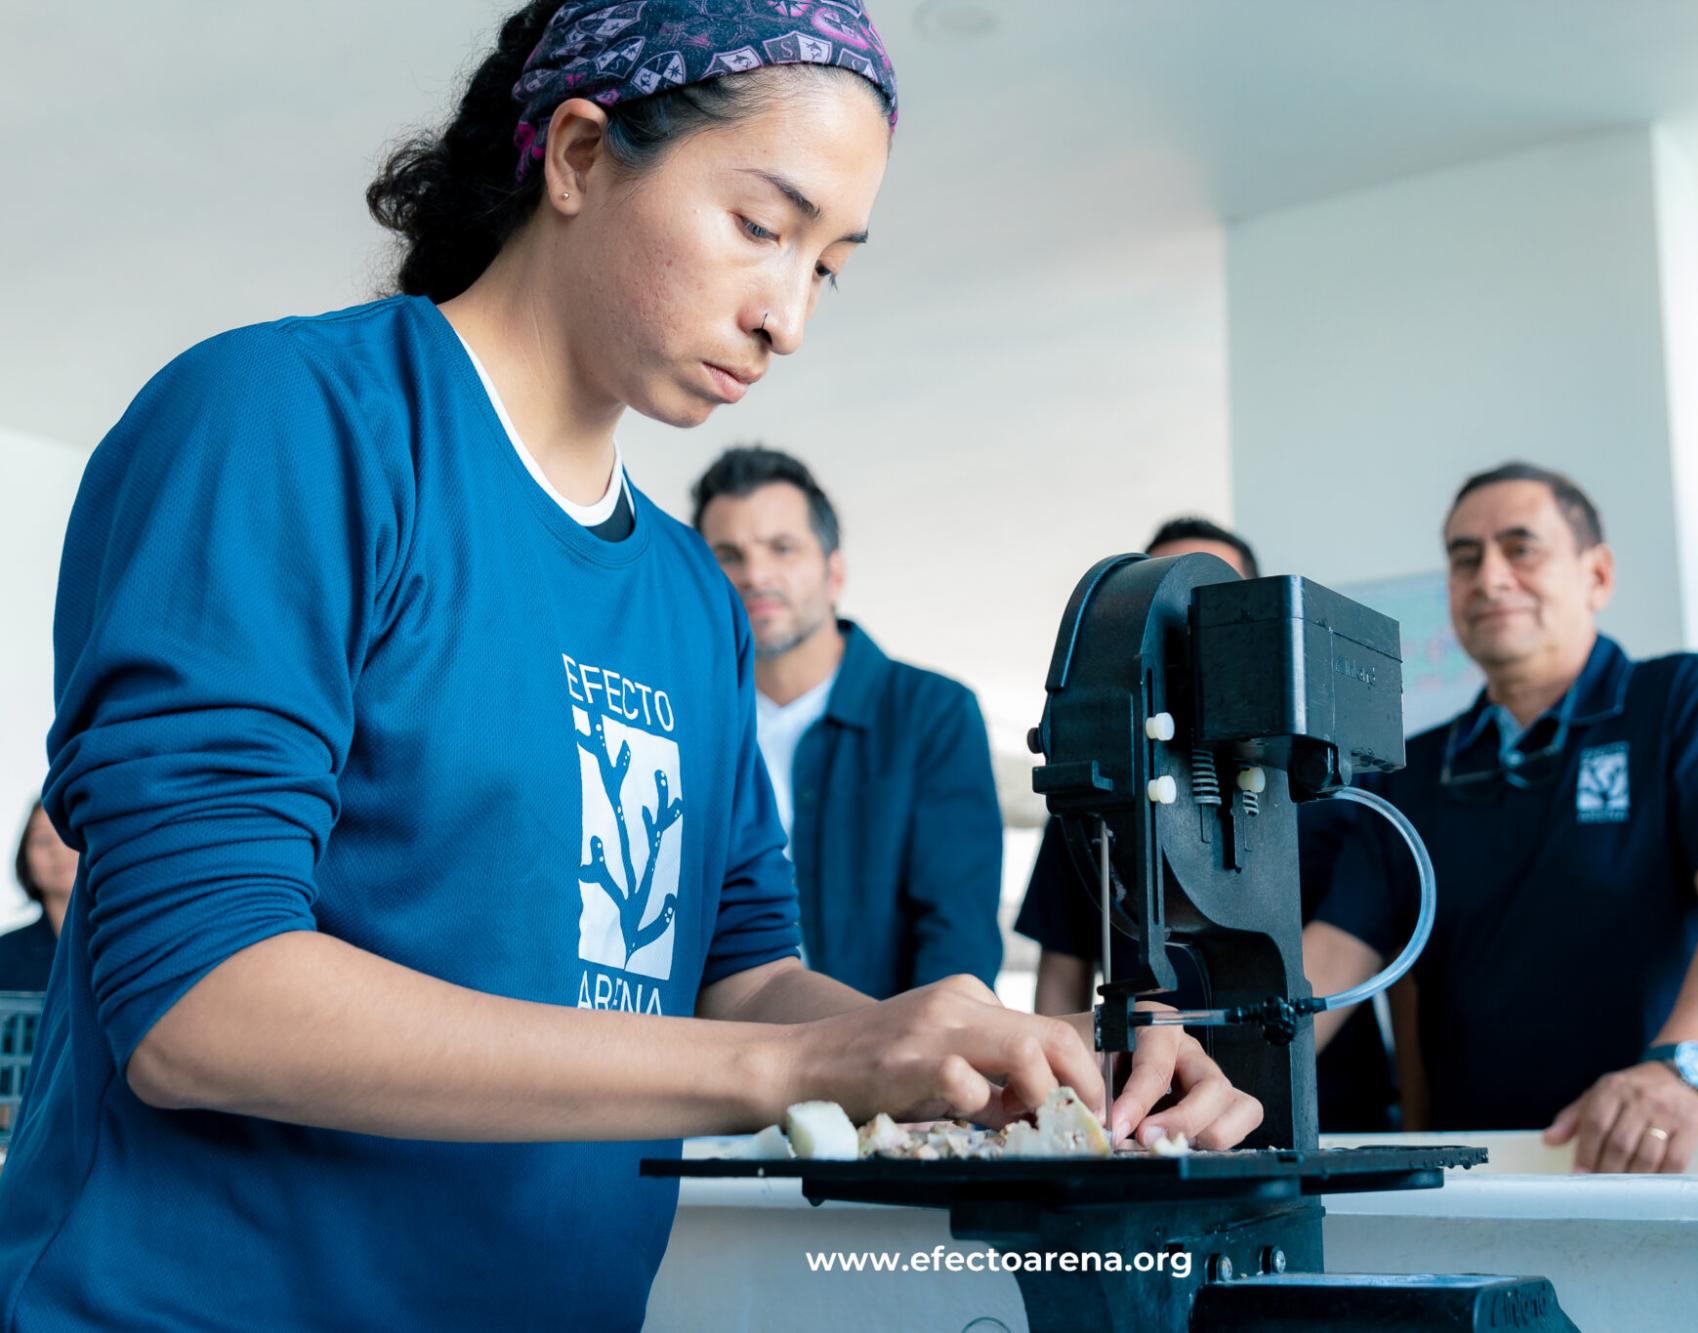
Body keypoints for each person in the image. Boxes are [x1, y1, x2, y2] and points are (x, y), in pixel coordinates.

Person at [0, 5, 1257, 1327]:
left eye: (830, 265)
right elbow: (200, 1000)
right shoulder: (290, 427)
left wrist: (1021, 1067)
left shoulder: (686, 600)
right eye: (764, 226)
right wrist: (798, 1063)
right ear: (583, 155)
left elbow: (739, 969)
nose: (788, 320)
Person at [1304, 462, 1698, 1173]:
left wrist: (1678, 1072)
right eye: (1465, 559)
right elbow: (1326, 968)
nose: (1489, 577)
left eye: (1521, 548)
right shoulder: (1410, 778)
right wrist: (1195, 1059)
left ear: (1598, 575)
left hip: (1681, 1161)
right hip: (1495, 1180)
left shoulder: (1685, 701)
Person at [1014, 518, 1399, 1131]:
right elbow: (1062, 973)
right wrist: (1071, 1099)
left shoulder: (1326, 785)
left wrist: (1213, 1089)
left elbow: (1338, 957)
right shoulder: (1100, 792)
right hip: (1146, 1114)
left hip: (1314, 1113)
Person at [692, 446, 1003, 997]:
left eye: (782, 548)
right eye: (728, 555)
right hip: (716, 1058)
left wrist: (919, 1065)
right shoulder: (688, 719)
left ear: (833, 572)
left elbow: (958, 936)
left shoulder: (932, 713)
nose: (755, 574)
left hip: (882, 1065)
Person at [0, 805, 75, 992]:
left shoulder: (134, 946)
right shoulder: (4, 956)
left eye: (69, 835)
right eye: (42, 840)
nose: (58, 849)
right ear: (25, 859)